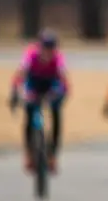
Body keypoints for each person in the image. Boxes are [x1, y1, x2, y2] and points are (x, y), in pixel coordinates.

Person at [9, 28, 69, 174]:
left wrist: (62, 93)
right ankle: (29, 154)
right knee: (29, 117)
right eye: (45, 48)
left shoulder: (58, 58)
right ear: (39, 46)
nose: (48, 52)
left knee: (56, 116)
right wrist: (15, 93)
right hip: (33, 84)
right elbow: (20, 74)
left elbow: (63, 78)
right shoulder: (30, 55)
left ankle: (52, 156)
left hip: (51, 84)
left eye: (51, 48)